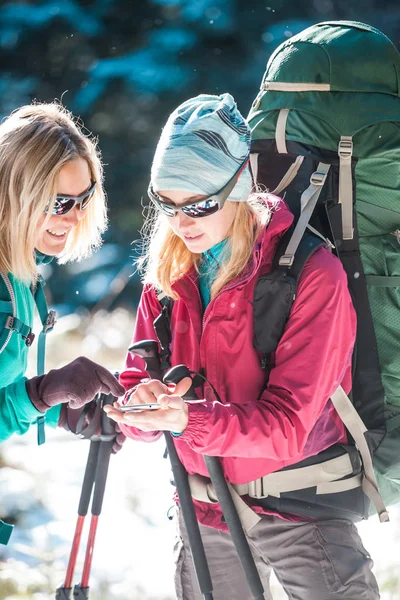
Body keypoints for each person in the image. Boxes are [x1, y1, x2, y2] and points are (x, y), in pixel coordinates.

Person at [105, 94, 379, 600]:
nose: (181, 223)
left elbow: (285, 428)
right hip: (205, 509)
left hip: (300, 506)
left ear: (239, 186)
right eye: (167, 204)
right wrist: (138, 407)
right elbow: (136, 381)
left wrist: (190, 419)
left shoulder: (310, 275)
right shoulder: (167, 274)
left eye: (200, 203)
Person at [0, 102, 125, 542]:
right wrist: (41, 393)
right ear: (17, 192)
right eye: (59, 202)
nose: (73, 217)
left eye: (84, 198)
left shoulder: (18, 272)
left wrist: (53, 409)